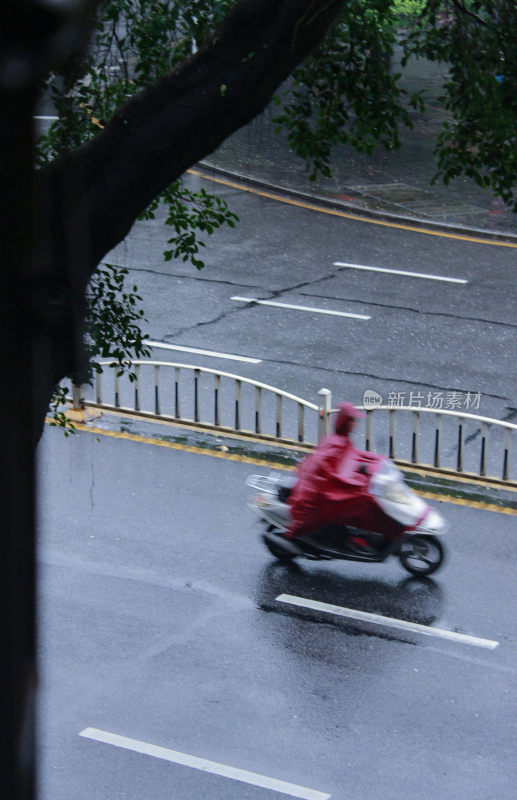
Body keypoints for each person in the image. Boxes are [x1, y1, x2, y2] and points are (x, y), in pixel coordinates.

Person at [287, 402, 403, 548]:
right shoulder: (336, 444)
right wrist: (356, 485)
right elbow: (329, 473)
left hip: (328, 486)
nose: (356, 424)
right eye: (353, 421)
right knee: (365, 502)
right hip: (323, 493)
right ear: (346, 422)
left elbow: (353, 457)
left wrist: (378, 461)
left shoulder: (342, 440)